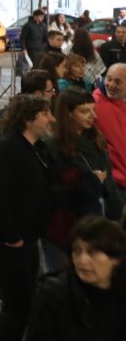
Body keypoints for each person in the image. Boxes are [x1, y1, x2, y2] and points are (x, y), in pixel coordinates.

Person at [0, 94, 55, 341]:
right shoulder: (6, 146)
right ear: (28, 119)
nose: (51, 118)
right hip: (7, 242)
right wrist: (12, 236)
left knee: (23, 305)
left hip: (25, 238)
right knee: (15, 307)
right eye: (45, 114)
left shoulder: (34, 147)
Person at [43, 87, 124, 273]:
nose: (92, 116)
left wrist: (116, 217)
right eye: (84, 111)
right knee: (61, 280)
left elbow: (109, 182)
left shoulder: (96, 140)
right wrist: (87, 181)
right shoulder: (51, 146)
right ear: (68, 114)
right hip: (62, 228)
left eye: (93, 110)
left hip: (94, 224)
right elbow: (46, 192)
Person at [26, 215, 126, 341]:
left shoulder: (121, 293)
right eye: (77, 251)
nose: (82, 260)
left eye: (93, 252)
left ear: (116, 259)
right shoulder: (52, 295)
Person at [95, 63, 126, 204]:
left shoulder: (120, 103)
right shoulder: (97, 104)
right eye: (108, 79)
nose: (111, 85)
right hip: (117, 183)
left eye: (118, 81)